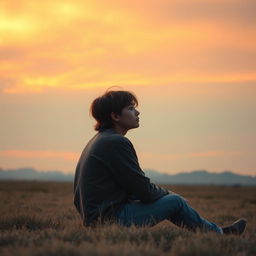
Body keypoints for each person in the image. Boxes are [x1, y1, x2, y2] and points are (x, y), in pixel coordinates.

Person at [74, 90, 246, 235]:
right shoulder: (116, 142)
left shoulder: (98, 140)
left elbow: (131, 188)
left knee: (172, 200)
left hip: (95, 220)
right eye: (131, 108)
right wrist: (167, 195)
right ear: (115, 116)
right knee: (176, 201)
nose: (137, 113)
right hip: (109, 222)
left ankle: (214, 232)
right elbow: (143, 190)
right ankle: (219, 235)